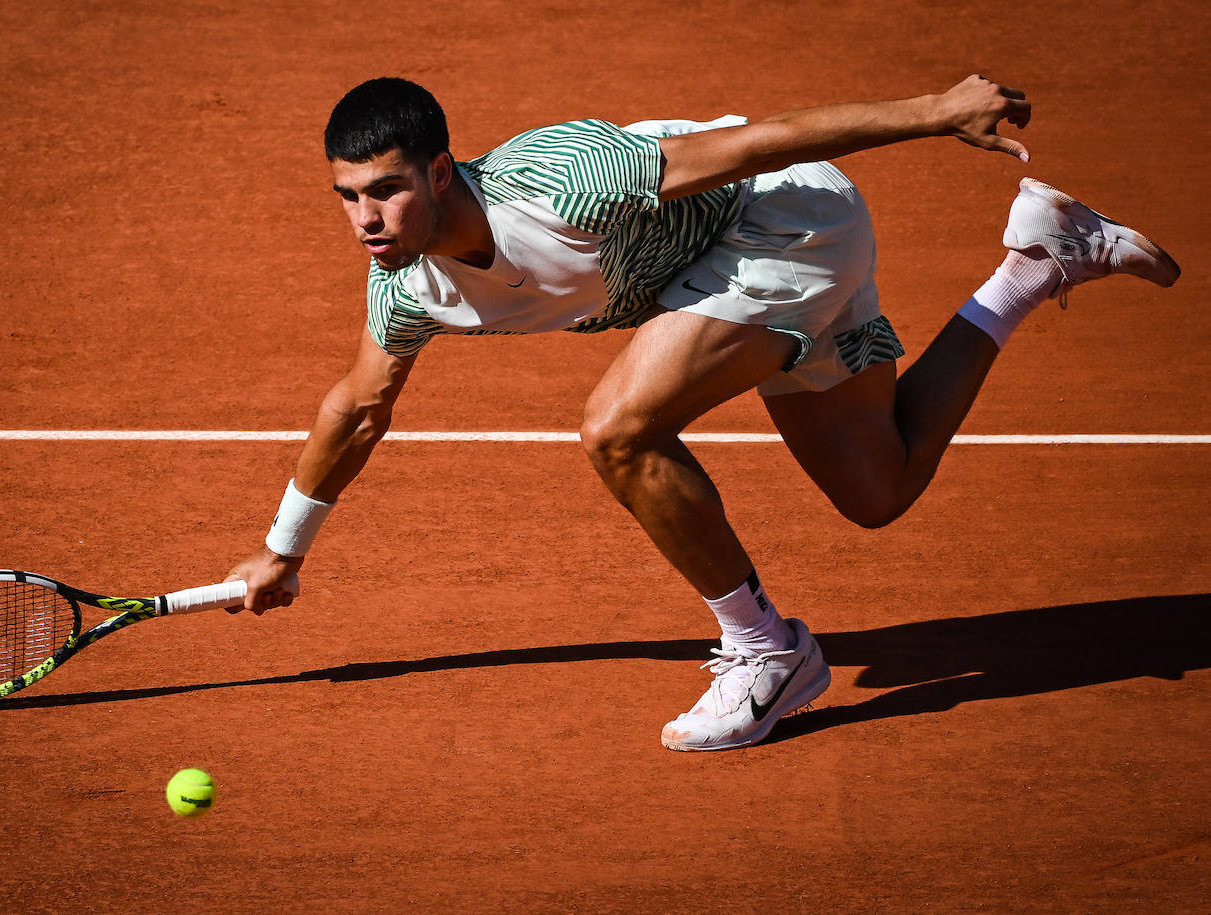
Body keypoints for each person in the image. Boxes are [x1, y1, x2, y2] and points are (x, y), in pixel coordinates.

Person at [225, 75, 1180, 751]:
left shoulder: (558, 183)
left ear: (439, 173)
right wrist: (285, 547)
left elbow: (762, 142)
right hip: (709, 278)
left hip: (780, 221)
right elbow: (358, 407)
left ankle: (768, 652)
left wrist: (939, 111)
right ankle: (1039, 261)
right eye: (347, 197)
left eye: (386, 188)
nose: (366, 219)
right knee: (878, 486)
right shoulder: (405, 288)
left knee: (618, 428)